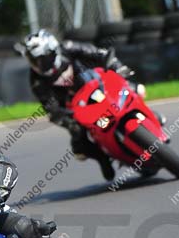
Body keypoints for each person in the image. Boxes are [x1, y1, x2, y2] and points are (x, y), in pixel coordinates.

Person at [18, 29, 137, 181]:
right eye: (34, 61)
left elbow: (99, 53)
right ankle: (102, 158)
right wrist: (66, 120)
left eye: (42, 59)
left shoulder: (68, 47)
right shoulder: (36, 80)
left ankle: (145, 115)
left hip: (96, 84)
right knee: (79, 148)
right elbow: (49, 107)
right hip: (74, 107)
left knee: (132, 88)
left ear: (52, 50)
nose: (38, 64)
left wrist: (117, 67)